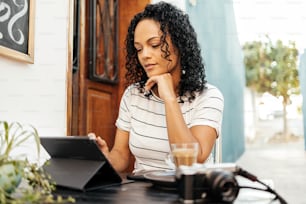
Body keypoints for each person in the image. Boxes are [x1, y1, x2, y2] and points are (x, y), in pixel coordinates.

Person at [93, 1, 224, 174]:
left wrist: (169, 97)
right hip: (140, 193)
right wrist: (106, 159)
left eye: (154, 45)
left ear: (179, 44)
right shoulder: (133, 95)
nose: (145, 55)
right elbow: (121, 155)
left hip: (187, 192)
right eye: (138, 49)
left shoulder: (208, 96)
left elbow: (192, 160)